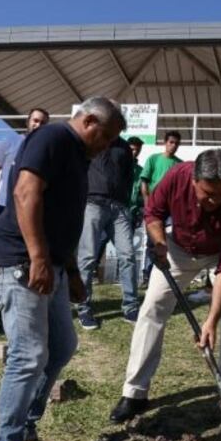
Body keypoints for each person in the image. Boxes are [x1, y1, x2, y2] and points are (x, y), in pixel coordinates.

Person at [0, 97, 125, 441]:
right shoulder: (53, 137)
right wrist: (39, 257)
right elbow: (26, 194)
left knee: (62, 346)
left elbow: (63, 217)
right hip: (19, 262)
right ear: (90, 121)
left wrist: (72, 271)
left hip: (53, 267)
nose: (107, 145)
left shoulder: (78, 156)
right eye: (107, 136)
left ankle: (26, 435)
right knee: (28, 355)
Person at [110, 149, 221, 424]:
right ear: (194, 180)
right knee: (151, 309)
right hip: (177, 249)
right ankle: (135, 392)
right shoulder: (177, 176)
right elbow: (153, 213)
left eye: (220, 194)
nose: (214, 201)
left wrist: (211, 320)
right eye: (207, 194)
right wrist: (160, 243)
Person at [0, 108, 50, 335]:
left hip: (32, 211)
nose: (38, 125)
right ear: (28, 122)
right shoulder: (10, 141)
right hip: (6, 209)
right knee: (0, 264)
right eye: (35, 120)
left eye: (43, 122)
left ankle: (21, 316)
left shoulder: (45, 148)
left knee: (28, 261)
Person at [73, 136, 140, 330]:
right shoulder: (89, 141)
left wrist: (125, 201)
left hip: (119, 207)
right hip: (93, 204)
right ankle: (83, 307)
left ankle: (131, 306)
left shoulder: (124, 147)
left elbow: (129, 176)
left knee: (127, 255)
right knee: (87, 257)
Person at [138, 131, 182, 284]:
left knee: (169, 240)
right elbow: (144, 182)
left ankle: (164, 275)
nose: (174, 145)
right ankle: (147, 274)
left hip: (170, 210)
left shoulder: (179, 164)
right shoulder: (154, 159)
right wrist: (147, 202)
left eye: (176, 143)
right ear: (165, 142)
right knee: (152, 242)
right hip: (153, 207)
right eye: (171, 142)